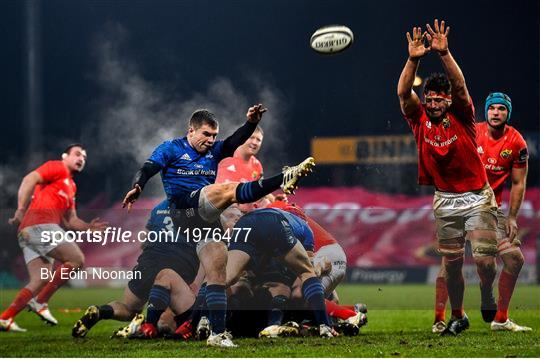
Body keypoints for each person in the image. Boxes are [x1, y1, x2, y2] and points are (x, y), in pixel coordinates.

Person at [122, 105, 314, 347]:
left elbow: (236, 139)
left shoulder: (216, 150)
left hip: (205, 217)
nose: (211, 140)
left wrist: (251, 124)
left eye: (214, 135)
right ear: (190, 131)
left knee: (217, 270)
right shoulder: (172, 148)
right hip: (184, 209)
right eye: (206, 134)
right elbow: (147, 168)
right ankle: (283, 178)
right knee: (226, 189)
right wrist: (138, 186)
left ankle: (217, 334)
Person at [397, 19, 499, 336]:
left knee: (484, 262)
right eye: (430, 97)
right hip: (445, 200)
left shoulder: (463, 116)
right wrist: (413, 59)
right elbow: (403, 93)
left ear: (448, 101)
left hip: (478, 196)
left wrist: (444, 53)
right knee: (452, 267)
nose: (434, 102)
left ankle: (485, 293)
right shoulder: (419, 119)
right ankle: (459, 315)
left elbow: (461, 85)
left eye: (440, 98)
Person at [432, 93, 531, 332]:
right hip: (458, 203)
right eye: (492, 109)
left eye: (501, 109)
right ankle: (439, 318)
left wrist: (513, 217)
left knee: (507, 261)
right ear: (485, 112)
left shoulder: (517, 143)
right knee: (450, 262)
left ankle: (497, 314)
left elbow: (518, 183)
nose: (496, 112)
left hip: (489, 210)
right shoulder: (470, 132)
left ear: (508, 113)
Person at [0, 144, 107, 332]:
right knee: (77, 260)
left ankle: (5, 318)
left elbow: (70, 220)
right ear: (65, 156)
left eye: (84, 156)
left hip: (29, 232)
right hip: (40, 225)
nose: (81, 158)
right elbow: (29, 179)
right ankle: (40, 301)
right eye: (77, 154)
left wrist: (88, 227)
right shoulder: (57, 167)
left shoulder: (71, 186)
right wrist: (20, 210)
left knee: (40, 279)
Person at [72, 200, 197, 338]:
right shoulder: (196, 207)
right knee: (173, 318)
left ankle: (100, 311)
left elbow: (144, 240)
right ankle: (144, 326)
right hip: (179, 261)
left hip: (148, 261)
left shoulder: (158, 208)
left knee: (128, 308)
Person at [225, 207, 338, 338]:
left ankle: (203, 321)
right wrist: (317, 270)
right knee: (305, 275)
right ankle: (325, 324)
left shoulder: (249, 218)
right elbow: (308, 267)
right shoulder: (303, 228)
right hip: (275, 225)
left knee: (225, 278)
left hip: (246, 225)